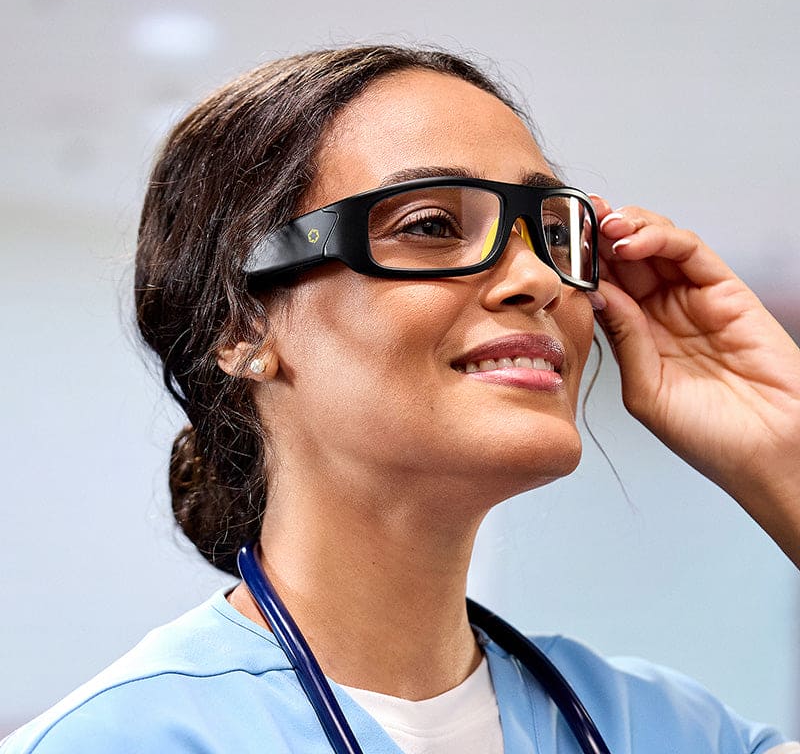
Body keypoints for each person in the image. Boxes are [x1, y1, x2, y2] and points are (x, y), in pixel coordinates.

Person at [3, 45, 799, 754]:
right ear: (240, 324)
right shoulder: (122, 740)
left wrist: (783, 453)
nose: (540, 279)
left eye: (553, 235)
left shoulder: (663, 729)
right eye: (428, 225)